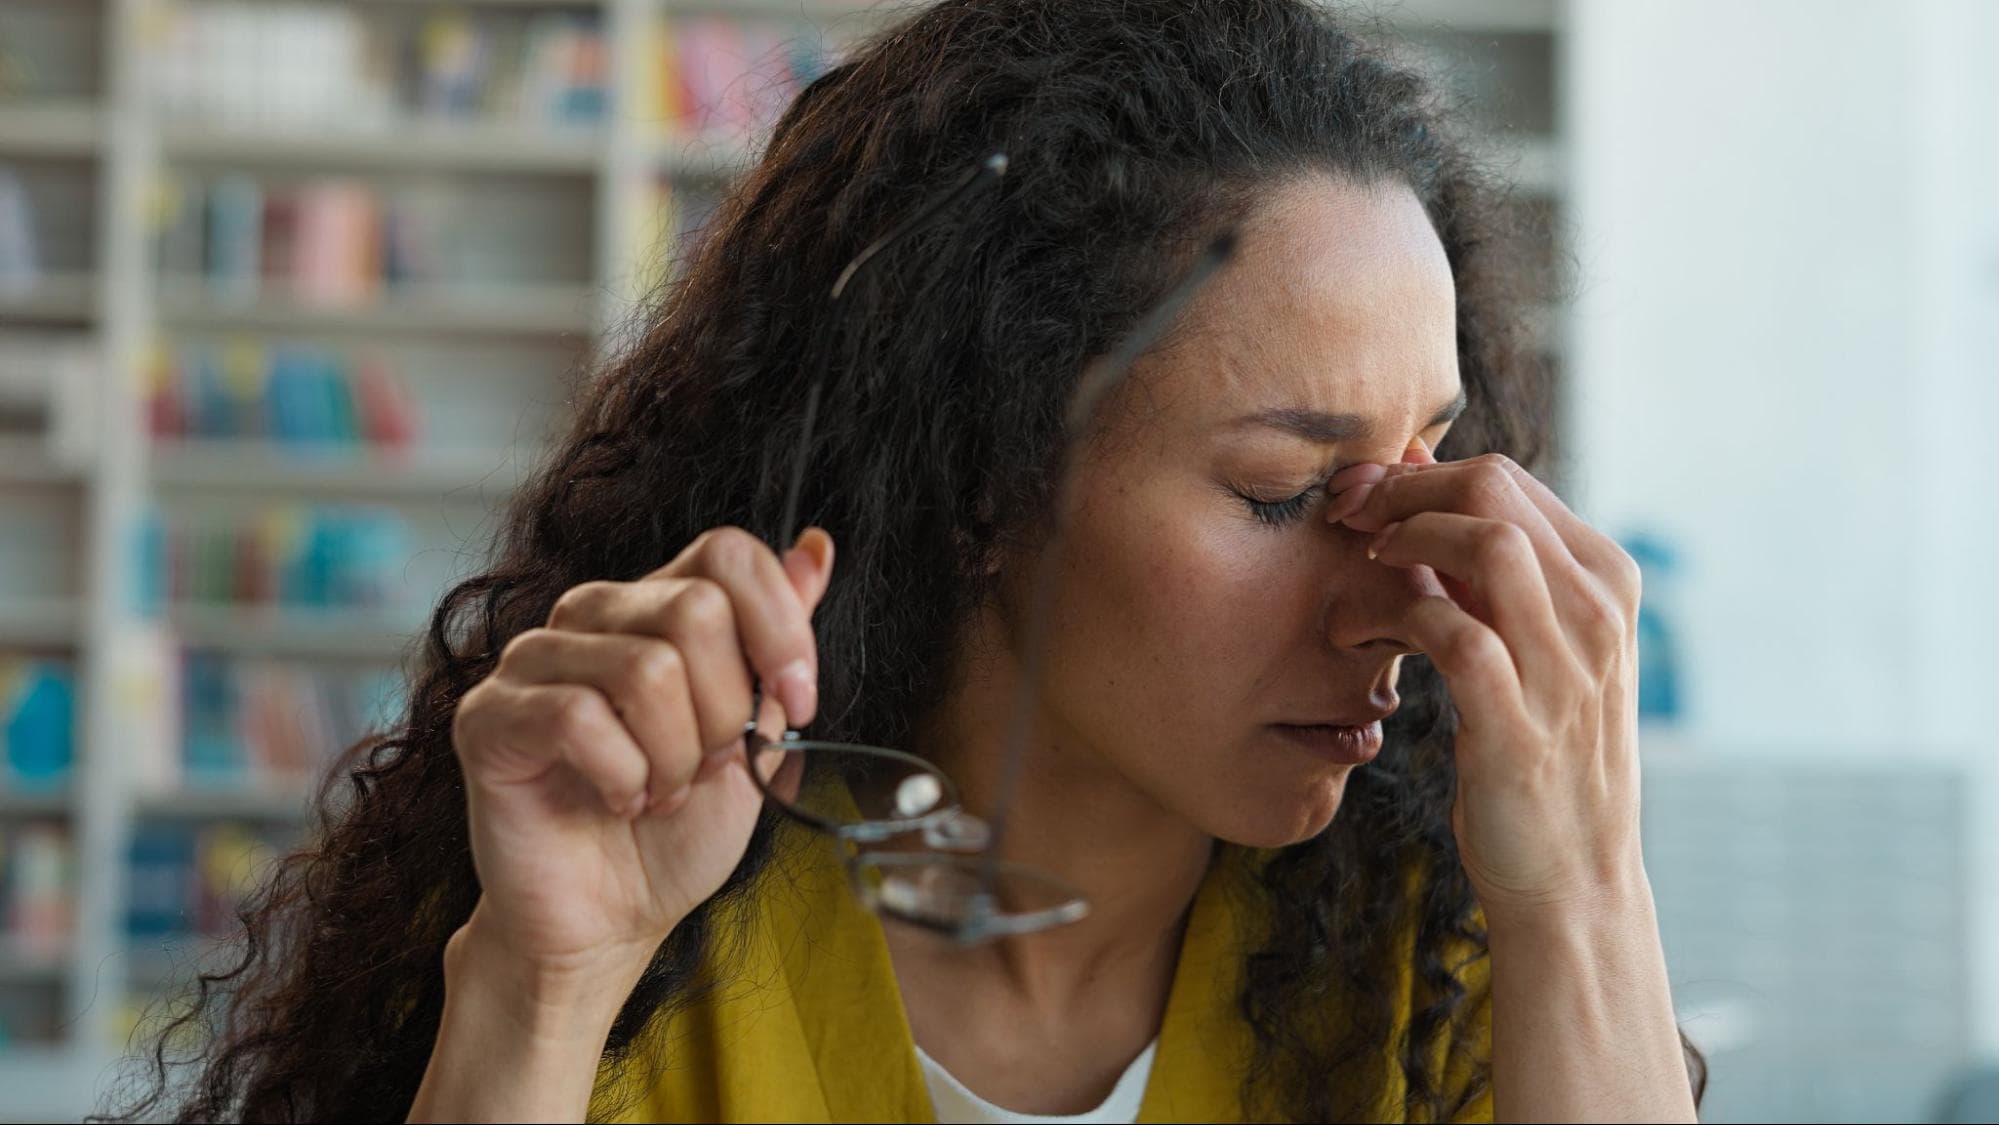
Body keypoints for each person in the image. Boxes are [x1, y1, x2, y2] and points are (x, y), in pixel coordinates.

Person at [111, 1, 1707, 1121]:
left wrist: (1584, 890)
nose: (1396, 594)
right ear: (982, 483)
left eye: (1434, 456)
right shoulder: (658, 933)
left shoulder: (1446, 956)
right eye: (1286, 493)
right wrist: (539, 978)